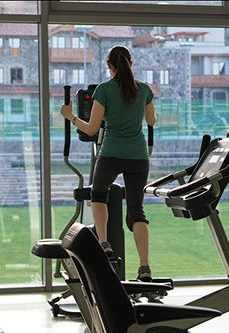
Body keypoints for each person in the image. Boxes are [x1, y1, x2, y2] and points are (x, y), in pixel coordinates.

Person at [60, 45, 156, 282]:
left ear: (109, 66)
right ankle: (144, 266)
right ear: (130, 63)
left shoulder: (104, 90)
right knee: (136, 211)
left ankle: (104, 243)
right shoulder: (144, 89)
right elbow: (152, 120)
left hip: (111, 153)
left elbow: (92, 128)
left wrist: (70, 116)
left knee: (98, 195)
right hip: (138, 156)